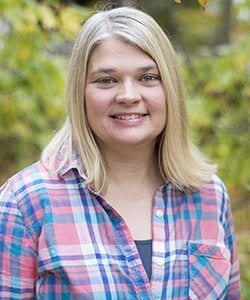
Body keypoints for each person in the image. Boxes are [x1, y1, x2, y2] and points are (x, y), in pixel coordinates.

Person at [0, 6, 240, 299]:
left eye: (148, 77)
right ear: (80, 92)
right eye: (106, 80)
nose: (128, 96)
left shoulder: (210, 196)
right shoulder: (26, 202)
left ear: (170, 89)